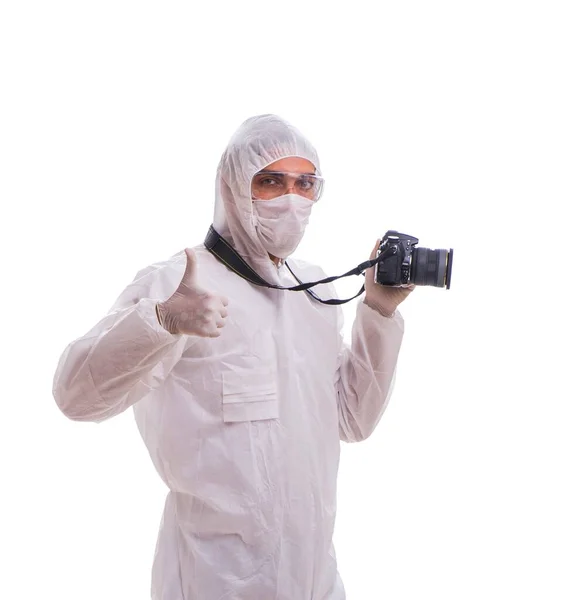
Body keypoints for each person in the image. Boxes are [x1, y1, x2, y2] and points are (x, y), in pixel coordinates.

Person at [53, 114, 414, 599]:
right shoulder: (180, 282)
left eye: (305, 184)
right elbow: (76, 396)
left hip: (315, 579)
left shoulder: (312, 292)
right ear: (233, 188)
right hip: (214, 581)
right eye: (271, 182)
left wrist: (378, 311)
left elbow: (353, 420)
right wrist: (160, 321)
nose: (292, 199)